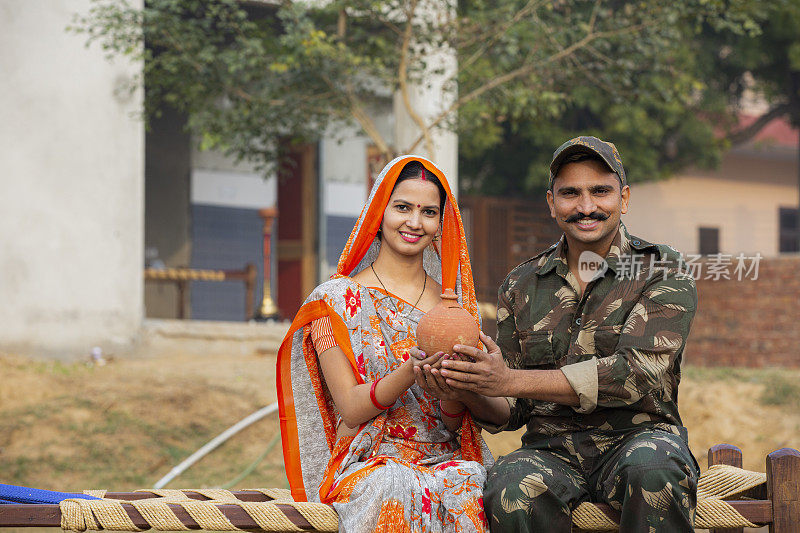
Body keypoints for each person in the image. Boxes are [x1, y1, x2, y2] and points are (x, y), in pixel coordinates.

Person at [414, 137, 699, 531]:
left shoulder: (663, 270)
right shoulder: (521, 284)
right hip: (552, 450)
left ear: (625, 197)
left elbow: (635, 374)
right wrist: (465, 386)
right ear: (551, 203)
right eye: (570, 194)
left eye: (600, 191)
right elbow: (513, 408)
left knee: (654, 471)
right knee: (511, 487)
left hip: (639, 439)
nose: (586, 207)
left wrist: (507, 379)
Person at [277, 156, 492, 533]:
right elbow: (351, 407)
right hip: (368, 460)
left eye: (429, 212)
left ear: (441, 223)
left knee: (469, 482)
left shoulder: (453, 310)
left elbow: (451, 421)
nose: (414, 222)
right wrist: (410, 372)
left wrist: (450, 387)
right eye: (403, 207)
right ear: (379, 212)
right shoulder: (335, 303)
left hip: (443, 456)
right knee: (393, 483)